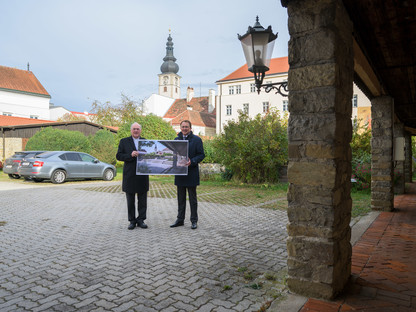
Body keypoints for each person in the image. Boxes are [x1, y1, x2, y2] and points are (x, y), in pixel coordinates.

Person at [170, 120, 205, 229]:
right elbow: (172, 155)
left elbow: (201, 155)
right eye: (183, 127)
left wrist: (192, 161)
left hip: (191, 173)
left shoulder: (197, 140)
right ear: (180, 128)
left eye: (186, 127)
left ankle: (194, 220)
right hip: (180, 173)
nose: (184, 128)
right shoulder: (176, 140)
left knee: (192, 199)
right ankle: (180, 220)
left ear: (190, 128)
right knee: (180, 199)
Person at [116, 122, 149, 230]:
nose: (136, 131)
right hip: (129, 175)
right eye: (134, 129)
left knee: (142, 200)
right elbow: (118, 156)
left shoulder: (146, 142)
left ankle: (141, 220)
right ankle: (132, 221)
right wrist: (130, 155)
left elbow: (151, 155)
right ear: (131, 130)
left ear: (140, 130)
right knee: (130, 200)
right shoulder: (124, 141)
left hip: (142, 175)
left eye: (138, 129)